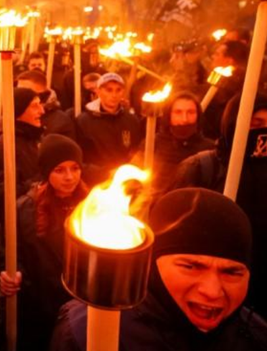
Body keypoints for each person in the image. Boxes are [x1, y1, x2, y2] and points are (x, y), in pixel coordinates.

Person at [51, 188, 267, 351]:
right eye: (190, 266)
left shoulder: (256, 335)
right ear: (152, 265)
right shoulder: (83, 332)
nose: (212, 291)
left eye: (231, 272)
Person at [170, 95, 267, 318]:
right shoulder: (202, 167)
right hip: (207, 289)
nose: (263, 132)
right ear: (235, 122)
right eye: (256, 125)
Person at [0, 134, 87, 351]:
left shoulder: (92, 204)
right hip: (40, 300)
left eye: (75, 168)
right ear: (47, 172)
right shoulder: (27, 208)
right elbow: (11, 251)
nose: (69, 177)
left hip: (81, 299)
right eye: (59, 170)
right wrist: (14, 273)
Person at [132, 91, 214, 194]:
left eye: (190, 112)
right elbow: (134, 177)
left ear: (198, 115)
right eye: (178, 112)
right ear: (169, 115)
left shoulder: (209, 149)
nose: (184, 119)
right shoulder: (152, 144)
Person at [76, 73, 141, 180]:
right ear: (98, 91)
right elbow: (80, 159)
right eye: (109, 90)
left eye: (118, 90)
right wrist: (104, 173)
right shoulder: (83, 121)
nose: (114, 95)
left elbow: (136, 150)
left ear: (123, 92)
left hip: (125, 180)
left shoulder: (131, 120)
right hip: (97, 182)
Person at [17, 70, 76, 139]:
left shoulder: (60, 123)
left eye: (25, 91)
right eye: (18, 90)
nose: (19, 94)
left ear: (40, 94)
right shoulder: (14, 115)